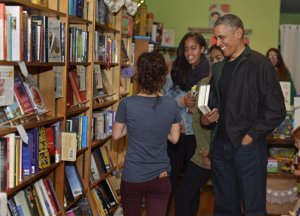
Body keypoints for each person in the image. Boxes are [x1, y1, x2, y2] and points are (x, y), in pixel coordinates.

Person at [201, 14, 286, 215]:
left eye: (222, 37)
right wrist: (206, 118)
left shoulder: (260, 64)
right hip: (220, 148)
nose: (218, 43)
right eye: (216, 38)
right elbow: (213, 105)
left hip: (248, 149)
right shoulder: (219, 67)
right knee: (224, 208)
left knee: (253, 209)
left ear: (239, 33)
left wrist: (249, 137)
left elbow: (276, 110)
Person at [112, 51, 181, 216]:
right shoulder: (171, 103)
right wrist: (156, 126)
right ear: (163, 75)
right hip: (161, 176)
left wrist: (137, 125)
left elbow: (116, 135)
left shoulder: (127, 104)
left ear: (138, 75)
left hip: (133, 176)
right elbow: (175, 138)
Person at [163, 32, 210, 215]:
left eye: (194, 48)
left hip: (199, 136)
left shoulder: (210, 72)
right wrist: (181, 102)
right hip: (177, 133)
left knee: (192, 187)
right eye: (186, 49)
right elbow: (163, 99)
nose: (189, 53)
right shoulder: (174, 71)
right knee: (169, 181)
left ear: (202, 49)